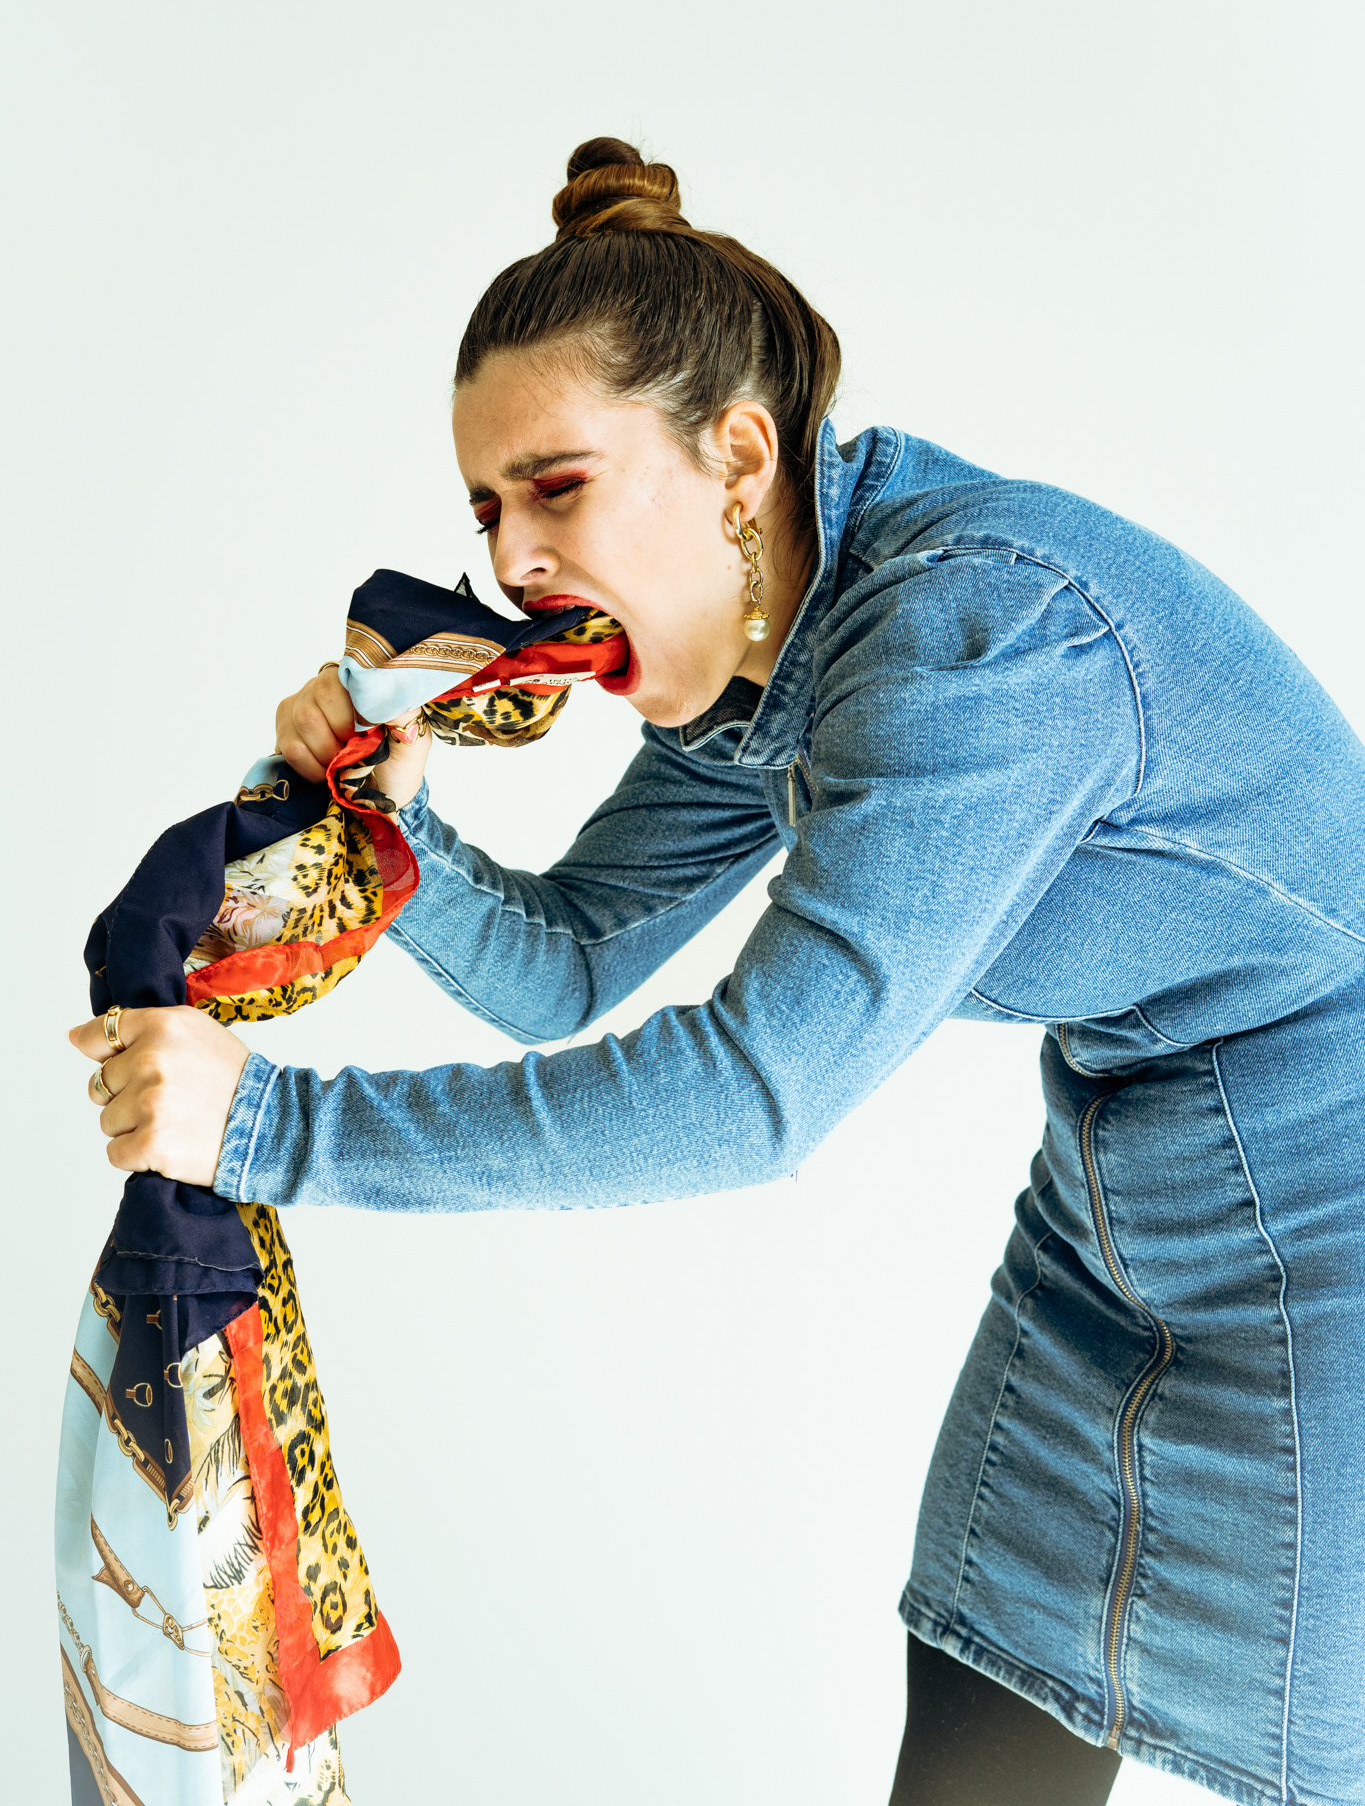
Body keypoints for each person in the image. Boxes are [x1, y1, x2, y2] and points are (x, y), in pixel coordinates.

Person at [72, 137, 1365, 1806]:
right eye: (486, 510)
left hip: (1328, 1248)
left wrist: (267, 1129)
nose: (513, 563)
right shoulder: (763, 655)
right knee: (985, 1736)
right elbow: (567, 962)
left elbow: (755, 1096)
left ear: (737, 456)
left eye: (557, 488)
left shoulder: (972, 636)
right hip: (1107, 1226)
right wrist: (402, 827)